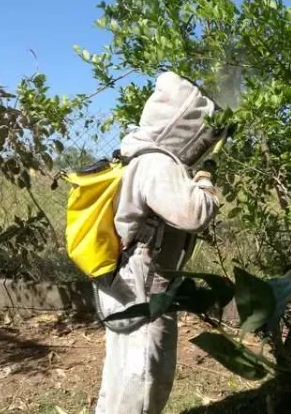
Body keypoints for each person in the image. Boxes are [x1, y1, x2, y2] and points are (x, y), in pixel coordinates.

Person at [94, 71, 226, 414]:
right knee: (144, 378)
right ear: (184, 121)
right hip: (144, 284)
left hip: (121, 278)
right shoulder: (156, 163)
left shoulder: (132, 152)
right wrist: (205, 181)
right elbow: (194, 213)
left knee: (121, 373)